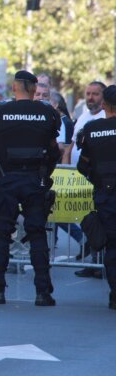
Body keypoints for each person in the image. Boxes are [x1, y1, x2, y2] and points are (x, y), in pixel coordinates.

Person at [0, 70, 61, 306]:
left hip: (6, 180)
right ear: (33, 88)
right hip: (34, 181)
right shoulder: (48, 112)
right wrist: (44, 175)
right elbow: (55, 151)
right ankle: (43, 292)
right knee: (37, 233)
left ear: (16, 87)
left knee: (1, 233)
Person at [75, 84, 116, 309]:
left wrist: (99, 182)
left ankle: (114, 293)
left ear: (104, 105)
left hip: (106, 196)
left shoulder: (92, 129)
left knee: (112, 247)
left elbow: (83, 166)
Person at [65, 81, 106, 165]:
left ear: (104, 97)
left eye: (95, 94)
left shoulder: (107, 117)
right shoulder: (82, 117)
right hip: (74, 174)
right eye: (88, 94)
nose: (90, 97)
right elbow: (71, 146)